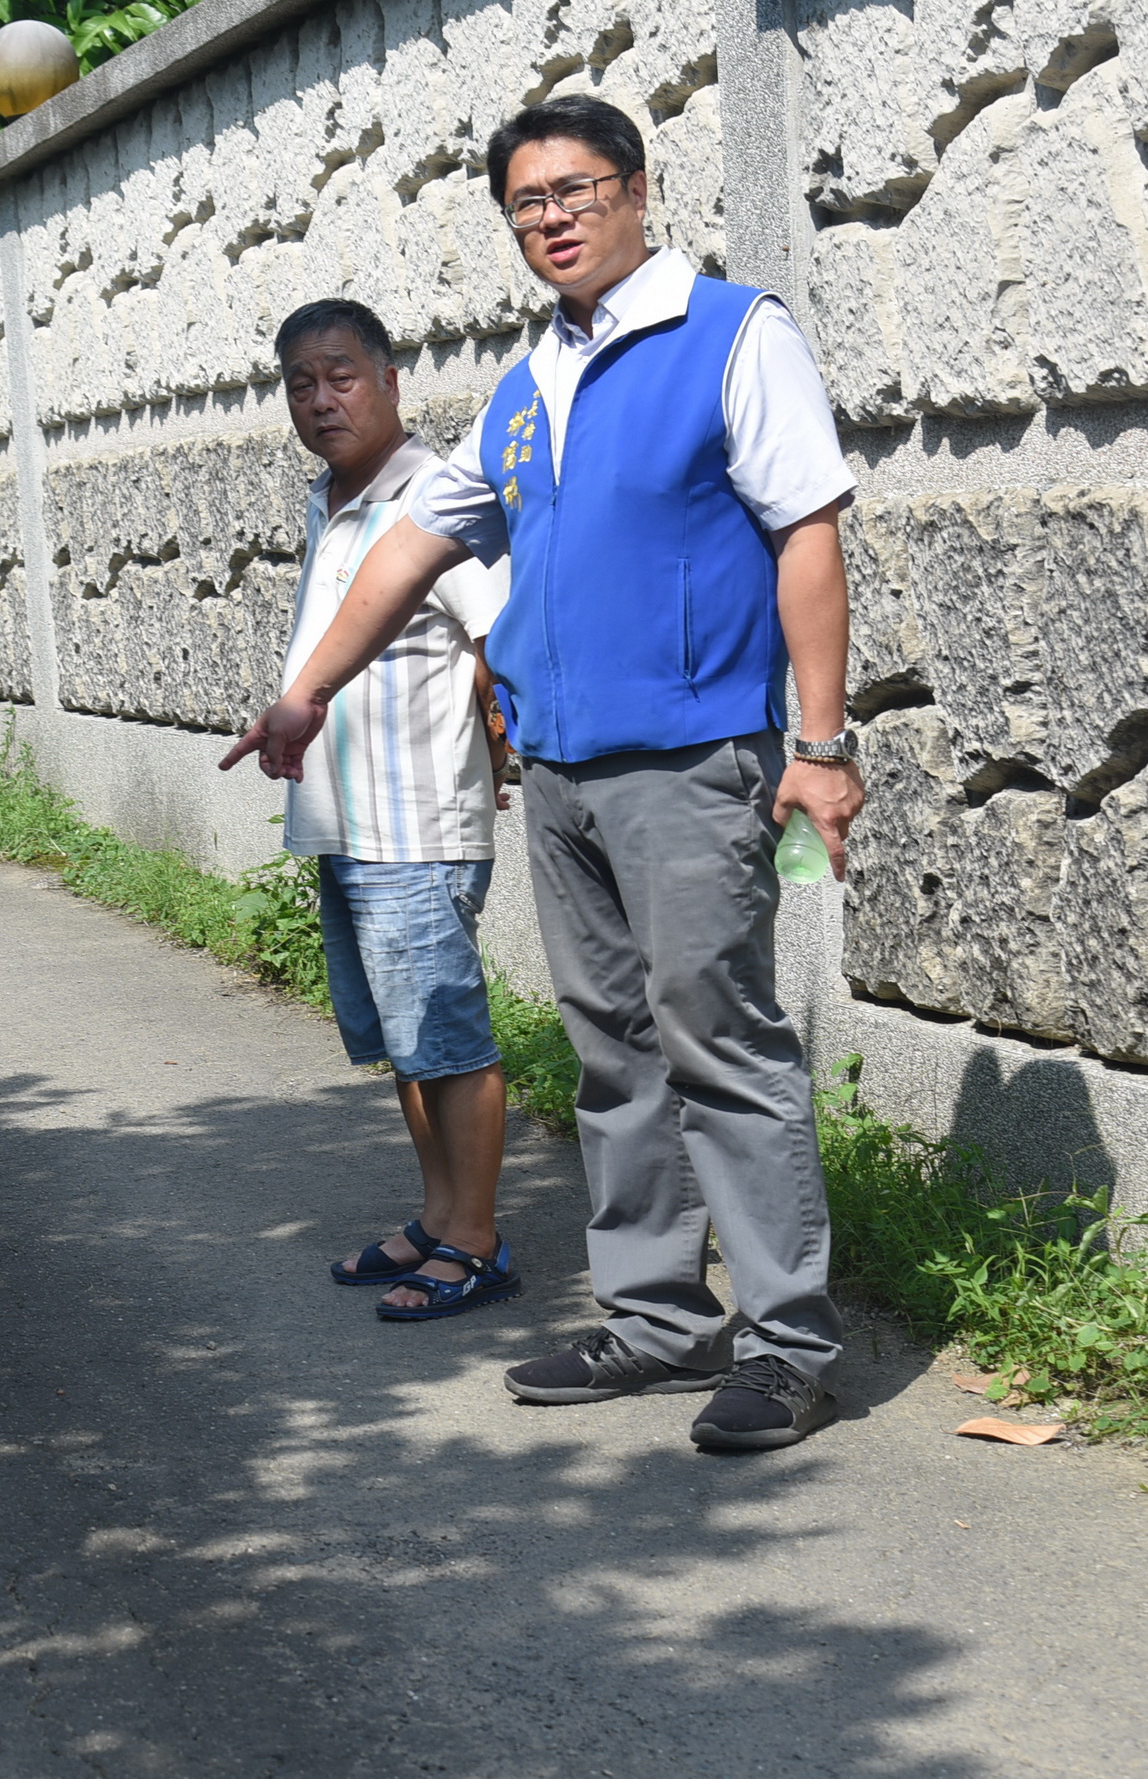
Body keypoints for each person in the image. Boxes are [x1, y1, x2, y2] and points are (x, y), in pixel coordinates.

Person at [223, 94, 865, 1452]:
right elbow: (413, 545)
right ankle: (655, 1318)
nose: (553, 218)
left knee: (721, 1042)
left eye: (575, 190)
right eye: (527, 203)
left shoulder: (729, 333)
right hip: (563, 768)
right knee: (614, 1053)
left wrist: (818, 744)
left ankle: (785, 1340)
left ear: (636, 190)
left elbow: (807, 530)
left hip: (694, 756)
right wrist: (305, 691)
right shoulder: (529, 383)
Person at [259, 298, 519, 1321]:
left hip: (416, 825)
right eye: (299, 384)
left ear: (390, 380)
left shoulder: (433, 498)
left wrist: (496, 750)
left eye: (340, 376)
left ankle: (476, 1238)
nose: (320, 401)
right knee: (406, 1044)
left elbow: (496, 636)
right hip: (347, 825)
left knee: (448, 1041)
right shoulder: (331, 499)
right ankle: (436, 1213)